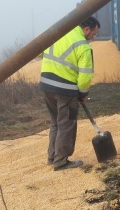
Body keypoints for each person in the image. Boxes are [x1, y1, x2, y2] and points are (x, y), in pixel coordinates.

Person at [39, 16, 100, 171]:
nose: (93, 38)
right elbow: (85, 76)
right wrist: (82, 93)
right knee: (66, 124)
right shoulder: (83, 46)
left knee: (56, 122)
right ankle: (61, 161)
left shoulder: (60, 34)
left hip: (46, 84)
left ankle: (52, 157)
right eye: (93, 34)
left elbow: (43, 54)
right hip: (65, 89)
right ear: (86, 29)